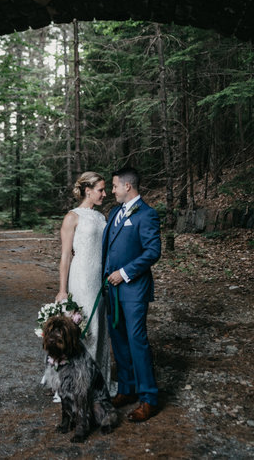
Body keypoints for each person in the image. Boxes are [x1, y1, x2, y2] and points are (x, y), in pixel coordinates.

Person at [102, 167, 161, 422]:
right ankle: (127, 388)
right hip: (111, 289)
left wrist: (124, 272)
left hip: (134, 288)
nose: (111, 191)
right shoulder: (115, 213)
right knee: (119, 339)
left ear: (128, 186)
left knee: (137, 341)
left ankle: (148, 398)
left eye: (114, 186)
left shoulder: (147, 214)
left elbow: (152, 252)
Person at [55, 171, 110, 388]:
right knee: (83, 327)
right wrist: (62, 290)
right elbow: (66, 255)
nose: (105, 194)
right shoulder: (72, 217)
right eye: (100, 190)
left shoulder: (101, 217)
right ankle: (75, 381)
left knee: (99, 327)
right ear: (88, 191)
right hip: (81, 279)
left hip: (99, 279)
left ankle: (97, 381)